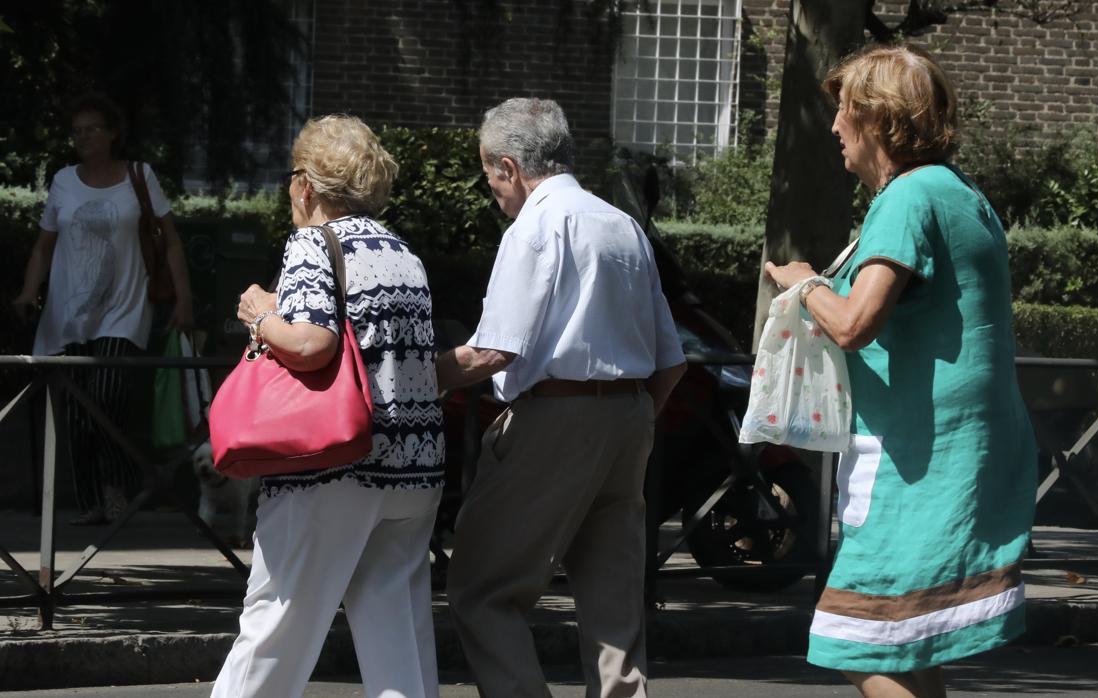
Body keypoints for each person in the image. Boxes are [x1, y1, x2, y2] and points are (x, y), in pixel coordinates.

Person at [765, 44, 1037, 698]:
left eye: (847, 112)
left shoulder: (907, 198)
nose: (835, 127)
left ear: (881, 120)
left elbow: (857, 323)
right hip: (958, 452)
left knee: (856, 640)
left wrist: (803, 283)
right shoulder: (960, 192)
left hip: (918, 462)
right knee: (908, 642)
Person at [437, 97, 686, 698]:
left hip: (556, 416)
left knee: (482, 590)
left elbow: (494, 352)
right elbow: (672, 360)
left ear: (508, 167)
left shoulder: (536, 227)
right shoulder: (620, 223)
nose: (491, 190)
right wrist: (633, 414)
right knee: (613, 605)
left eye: (488, 175)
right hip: (628, 416)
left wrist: (407, 375)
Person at [212, 115, 445, 698]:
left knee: (275, 623)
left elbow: (314, 345)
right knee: (399, 634)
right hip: (414, 470)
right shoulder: (402, 252)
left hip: (331, 468)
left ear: (307, 186)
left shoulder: (314, 243)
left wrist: (261, 315)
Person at [13, 92, 194, 525]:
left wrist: (185, 298)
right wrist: (27, 291)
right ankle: (92, 500)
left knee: (107, 398)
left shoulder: (139, 176)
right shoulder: (63, 181)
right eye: (77, 131)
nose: (83, 137)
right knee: (75, 412)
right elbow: (44, 245)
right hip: (68, 313)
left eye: (92, 128)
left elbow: (168, 240)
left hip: (124, 308)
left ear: (113, 133)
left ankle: (118, 489)